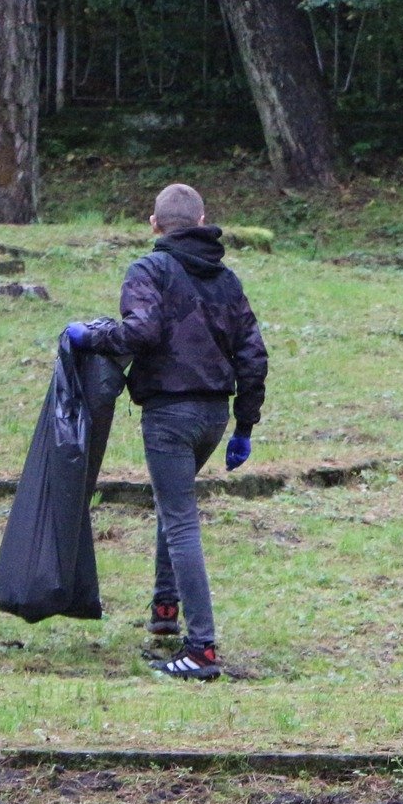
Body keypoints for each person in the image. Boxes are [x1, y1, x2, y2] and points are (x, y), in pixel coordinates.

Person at [66, 183, 267, 680]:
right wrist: (243, 424)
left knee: (180, 522)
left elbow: (140, 331)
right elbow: (252, 355)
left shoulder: (149, 270)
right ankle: (164, 610)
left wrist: (90, 336)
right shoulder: (227, 280)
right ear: (201, 221)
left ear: (154, 224)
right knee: (172, 503)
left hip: (169, 415)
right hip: (214, 418)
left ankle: (201, 650)